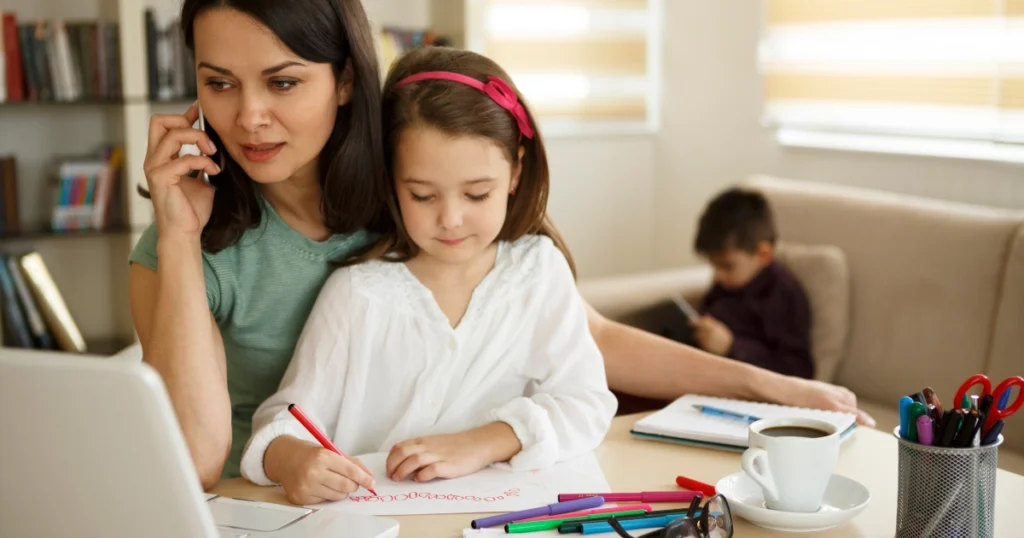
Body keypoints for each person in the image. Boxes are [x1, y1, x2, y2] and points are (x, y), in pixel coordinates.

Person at [129, 0, 874, 491]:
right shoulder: (188, 236)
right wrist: (182, 235)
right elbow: (192, 461)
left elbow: (589, 339)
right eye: (218, 83)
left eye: (283, 83)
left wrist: (766, 385)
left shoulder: (410, 192)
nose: (250, 117)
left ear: (346, 81)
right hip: (257, 506)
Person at [238, 47, 618, 503]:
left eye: (477, 194)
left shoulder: (538, 272)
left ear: (516, 170)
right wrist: (291, 459)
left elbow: (588, 403)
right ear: (392, 181)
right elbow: (283, 419)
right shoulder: (359, 292)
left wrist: (485, 441)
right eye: (422, 196)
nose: (451, 219)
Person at [688, 187, 814, 379]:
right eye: (714, 266)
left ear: (763, 254)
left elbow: (799, 369)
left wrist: (732, 346)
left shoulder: (784, 294)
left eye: (727, 266)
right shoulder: (724, 286)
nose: (718, 276)